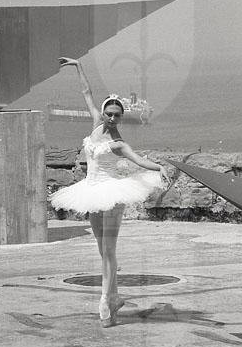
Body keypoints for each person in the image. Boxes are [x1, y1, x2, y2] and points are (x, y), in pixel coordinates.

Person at [49, 57, 170, 327]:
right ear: (103, 113)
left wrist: (159, 167)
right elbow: (86, 92)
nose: (113, 118)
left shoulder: (118, 143)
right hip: (91, 192)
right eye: (110, 113)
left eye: (117, 115)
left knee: (109, 250)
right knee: (101, 249)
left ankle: (104, 301)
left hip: (112, 195)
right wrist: (78, 65)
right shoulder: (95, 124)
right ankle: (114, 297)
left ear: (121, 117)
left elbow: (138, 160)